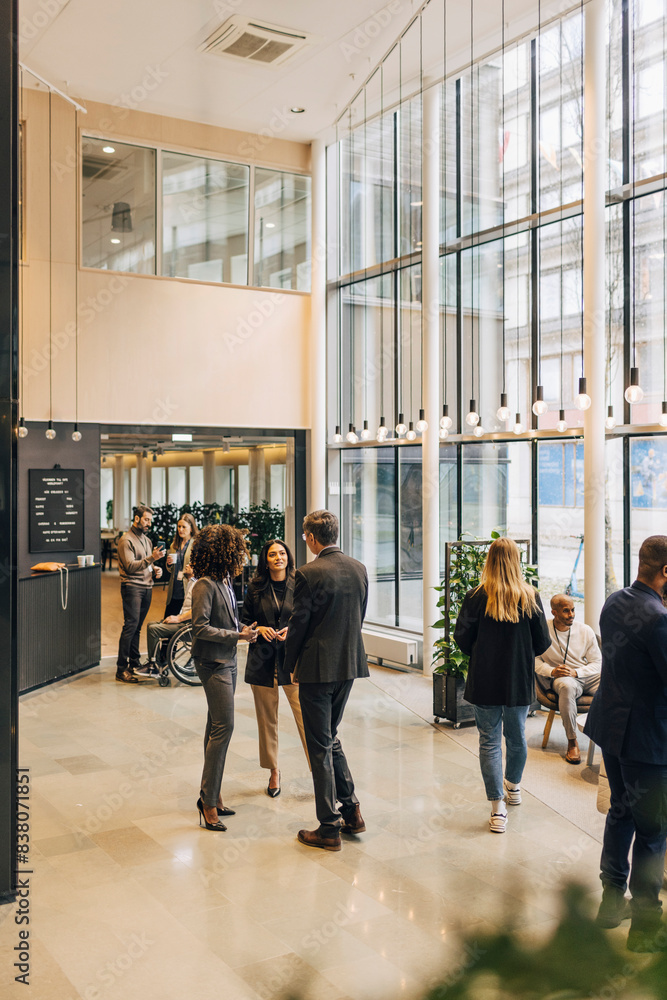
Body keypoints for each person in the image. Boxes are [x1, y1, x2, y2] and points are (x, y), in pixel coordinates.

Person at [585, 535, 667, 952]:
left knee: (620, 814)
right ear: (665, 572)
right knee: (654, 831)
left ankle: (610, 904)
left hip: (611, 730)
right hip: (647, 742)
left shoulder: (613, 603)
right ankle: (647, 929)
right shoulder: (659, 617)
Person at [284, 510, 369, 852]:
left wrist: (289, 665)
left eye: (305, 537)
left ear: (313, 538)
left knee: (319, 745)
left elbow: (299, 625)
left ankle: (328, 827)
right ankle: (351, 811)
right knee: (329, 737)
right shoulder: (359, 568)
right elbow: (359, 616)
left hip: (317, 670)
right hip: (348, 664)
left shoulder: (307, 573)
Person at [454, 537, 551, 834]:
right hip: (518, 680)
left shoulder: (475, 596)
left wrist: (483, 654)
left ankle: (497, 809)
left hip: (485, 680)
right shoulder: (530, 597)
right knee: (517, 736)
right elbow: (543, 642)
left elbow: (461, 638)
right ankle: (514, 786)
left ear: (489, 560)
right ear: (516, 561)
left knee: (489, 741)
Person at [191, 524, 258, 832]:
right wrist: (236, 635)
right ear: (222, 553)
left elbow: (229, 618)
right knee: (224, 726)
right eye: (234, 551)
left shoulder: (225, 580)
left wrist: (244, 630)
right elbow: (200, 628)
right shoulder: (204, 584)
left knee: (214, 725)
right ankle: (208, 802)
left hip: (227, 658)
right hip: (212, 661)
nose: (238, 556)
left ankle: (212, 793)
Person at [242, 539, 309, 796]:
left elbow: (307, 618)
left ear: (288, 557)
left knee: (306, 718)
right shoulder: (255, 587)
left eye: (282, 553)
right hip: (263, 660)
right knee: (267, 720)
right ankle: (274, 771)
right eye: (272, 554)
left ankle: (319, 772)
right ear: (265, 559)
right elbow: (245, 622)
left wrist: (292, 630)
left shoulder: (300, 582)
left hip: (293, 662)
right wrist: (259, 629)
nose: (278, 557)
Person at [534, 594, 601, 764]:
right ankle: (572, 741)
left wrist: (577, 672)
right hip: (562, 678)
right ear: (554, 612)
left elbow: (597, 662)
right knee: (566, 687)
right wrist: (552, 671)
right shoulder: (543, 630)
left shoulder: (585, 630)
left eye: (572, 610)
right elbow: (533, 660)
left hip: (585, 674)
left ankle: (614, 736)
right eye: (566, 611)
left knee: (613, 681)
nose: (571, 614)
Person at [115, 505, 164, 683]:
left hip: (146, 587)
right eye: (146, 520)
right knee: (130, 626)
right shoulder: (125, 540)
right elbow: (130, 566)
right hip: (132, 587)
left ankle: (134, 663)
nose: (148, 524)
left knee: (137, 627)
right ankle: (121, 668)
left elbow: (146, 565)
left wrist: (155, 568)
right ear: (137, 519)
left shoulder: (147, 540)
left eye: (150, 520)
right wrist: (152, 559)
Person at [135, 569, 195, 678]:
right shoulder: (191, 583)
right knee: (151, 624)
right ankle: (154, 663)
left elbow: (197, 609)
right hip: (185, 622)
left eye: (190, 564)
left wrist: (178, 619)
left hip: (189, 627)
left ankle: (154, 666)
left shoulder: (198, 585)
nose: (186, 565)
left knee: (154, 629)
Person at [164, 513, 197, 618]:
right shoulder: (174, 545)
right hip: (174, 587)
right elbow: (170, 569)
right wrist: (169, 564)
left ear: (191, 529)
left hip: (187, 586)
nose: (180, 530)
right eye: (179, 526)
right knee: (168, 618)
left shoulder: (197, 545)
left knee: (182, 620)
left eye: (184, 527)